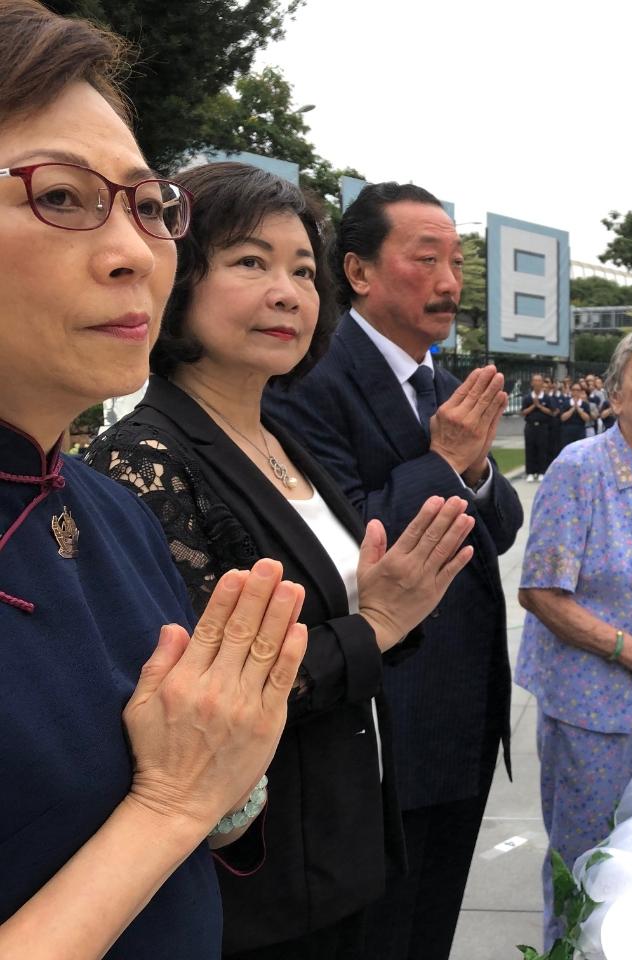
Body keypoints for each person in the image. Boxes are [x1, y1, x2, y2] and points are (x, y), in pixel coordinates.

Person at [87, 162, 476, 958]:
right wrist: (380, 621)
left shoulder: (279, 438)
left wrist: (378, 603)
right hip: (256, 894)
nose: (289, 292)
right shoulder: (144, 460)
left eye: (303, 270)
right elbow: (203, 701)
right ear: (179, 276)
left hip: (345, 844)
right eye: (249, 262)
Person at [0, 4, 306, 956]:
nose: (135, 252)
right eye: (58, 195)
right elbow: (173, 796)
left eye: (147, 204)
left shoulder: (110, 511)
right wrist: (174, 802)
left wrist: (226, 768)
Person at [263, 181, 524, 960]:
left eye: (456, 261)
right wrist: (446, 460)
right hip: (386, 716)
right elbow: (351, 537)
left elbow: (501, 525)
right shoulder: (309, 383)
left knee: (434, 921)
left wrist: (471, 472)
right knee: (383, 931)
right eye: (426, 259)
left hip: (464, 709)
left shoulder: (441, 384)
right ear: (360, 271)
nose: (449, 281)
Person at [517, 327, 632, 948]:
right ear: (615, 395)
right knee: (585, 858)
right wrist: (627, 649)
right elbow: (539, 592)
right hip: (589, 703)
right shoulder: (580, 468)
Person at [522, 374, 554, 479]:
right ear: (532, 383)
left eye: (539, 381)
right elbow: (523, 412)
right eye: (535, 381)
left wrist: (539, 405)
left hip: (543, 427)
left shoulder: (546, 398)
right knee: (530, 449)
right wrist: (533, 405)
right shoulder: (527, 398)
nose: (537, 383)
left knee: (542, 449)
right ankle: (530, 472)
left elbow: (550, 412)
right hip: (530, 426)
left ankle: (542, 472)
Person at [555, 380, 593, 452]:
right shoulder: (566, 403)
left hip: (580, 430)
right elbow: (562, 418)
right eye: (574, 390)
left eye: (578, 390)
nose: (575, 392)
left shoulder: (584, 404)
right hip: (567, 431)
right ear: (571, 391)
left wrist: (578, 408)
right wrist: (572, 409)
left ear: (581, 391)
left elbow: (587, 418)